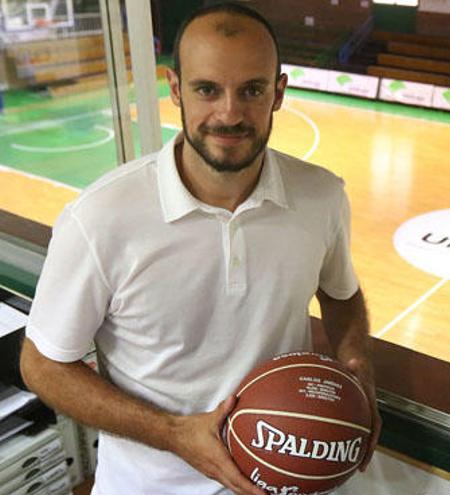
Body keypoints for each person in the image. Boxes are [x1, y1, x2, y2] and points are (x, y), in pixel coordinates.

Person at [18, 3, 380, 494]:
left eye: (251, 90)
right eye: (207, 89)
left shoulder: (321, 196)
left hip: (278, 483)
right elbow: (42, 364)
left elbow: (341, 294)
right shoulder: (102, 216)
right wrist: (174, 434)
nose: (229, 113)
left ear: (278, 92)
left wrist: (355, 361)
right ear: (175, 89)